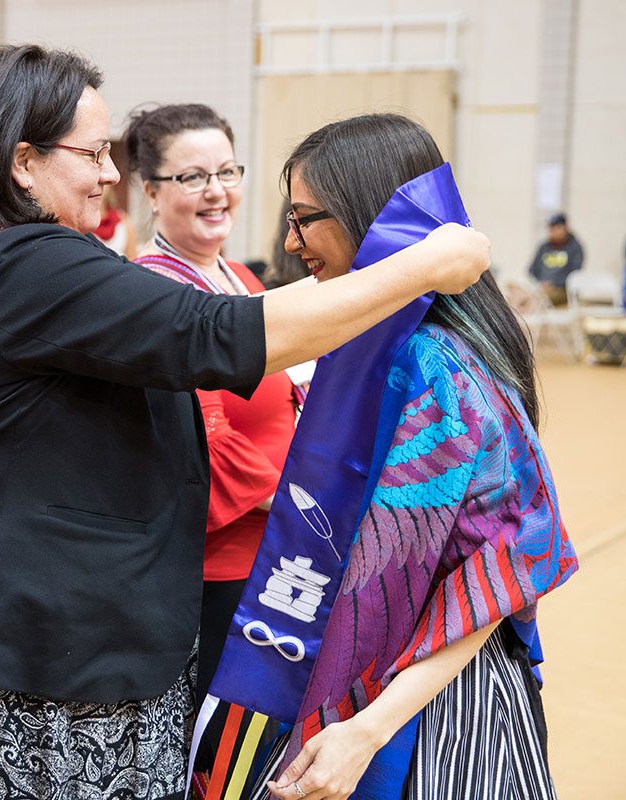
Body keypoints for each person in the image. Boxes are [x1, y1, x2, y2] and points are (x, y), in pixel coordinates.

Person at [0, 45, 490, 800]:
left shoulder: (7, 263)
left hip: (71, 640)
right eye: (95, 153)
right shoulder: (23, 263)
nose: (110, 174)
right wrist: (423, 267)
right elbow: (217, 336)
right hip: (34, 654)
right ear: (23, 163)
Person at [240, 114, 577, 800]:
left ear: (368, 215)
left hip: (423, 709)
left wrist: (367, 730)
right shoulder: (388, 341)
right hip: (384, 687)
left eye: (305, 219)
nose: (289, 240)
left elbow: (499, 570)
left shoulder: (432, 364)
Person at [124, 104, 301, 715]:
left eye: (228, 171)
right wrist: (315, 506)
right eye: (192, 177)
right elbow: (202, 438)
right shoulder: (152, 293)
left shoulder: (242, 281)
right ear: (149, 190)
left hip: (283, 550)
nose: (215, 191)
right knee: (228, 746)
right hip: (223, 571)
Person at [528, 212, 583, 306]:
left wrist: (554, 284)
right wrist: (541, 283)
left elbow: (575, 271)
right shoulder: (544, 247)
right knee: (517, 296)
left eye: (555, 227)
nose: (551, 230)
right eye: (550, 227)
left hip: (563, 290)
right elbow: (532, 269)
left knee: (537, 300)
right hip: (541, 287)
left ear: (564, 227)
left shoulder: (574, 248)